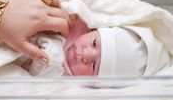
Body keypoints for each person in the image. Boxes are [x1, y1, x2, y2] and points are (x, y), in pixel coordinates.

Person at [19, 14, 148, 77]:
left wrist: (54, 54)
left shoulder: (64, 77)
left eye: (93, 65)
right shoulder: (77, 25)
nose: (86, 54)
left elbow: (37, 80)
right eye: (94, 43)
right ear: (94, 31)